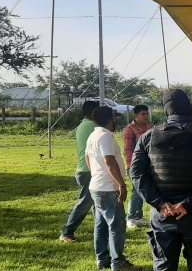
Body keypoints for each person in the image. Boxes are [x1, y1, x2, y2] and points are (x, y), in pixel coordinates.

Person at [130, 89, 192, 271]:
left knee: (164, 266)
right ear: (189, 108)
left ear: (167, 109)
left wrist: (160, 204)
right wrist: (188, 204)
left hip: (162, 217)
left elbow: (136, 173)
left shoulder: (148, 136)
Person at [85, 106, 140, 271]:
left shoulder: (93, 135)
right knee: (116, 226)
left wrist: (96, 173)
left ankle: (102, 260)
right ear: (109, 119)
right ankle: (118, 263)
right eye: (113, 118)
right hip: (108, 188)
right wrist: (121, 184)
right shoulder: (105, 136)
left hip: (96, 186)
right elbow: (109, 161)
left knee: (101, 225)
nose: (115, 121)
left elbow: (88, 158)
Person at [59, 100, 99, 243]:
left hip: (83, 169)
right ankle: (67, 232)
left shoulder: (82, 125)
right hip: (88, 170)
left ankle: (101, 230)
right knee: (85, 202)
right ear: (93, 112)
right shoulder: (91, 125)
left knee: (95, 201)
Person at [123, 105, 151, 229]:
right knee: (136, 191)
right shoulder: (129, 130)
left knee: (141, 190)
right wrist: (131, 167)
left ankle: (138, 217)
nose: (146, 116)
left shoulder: (149, 128)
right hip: (134, 166)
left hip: (148, 165)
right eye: (143, 114)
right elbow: (128, 150)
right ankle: (130, 218)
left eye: (147, 114)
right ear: (136, 116)